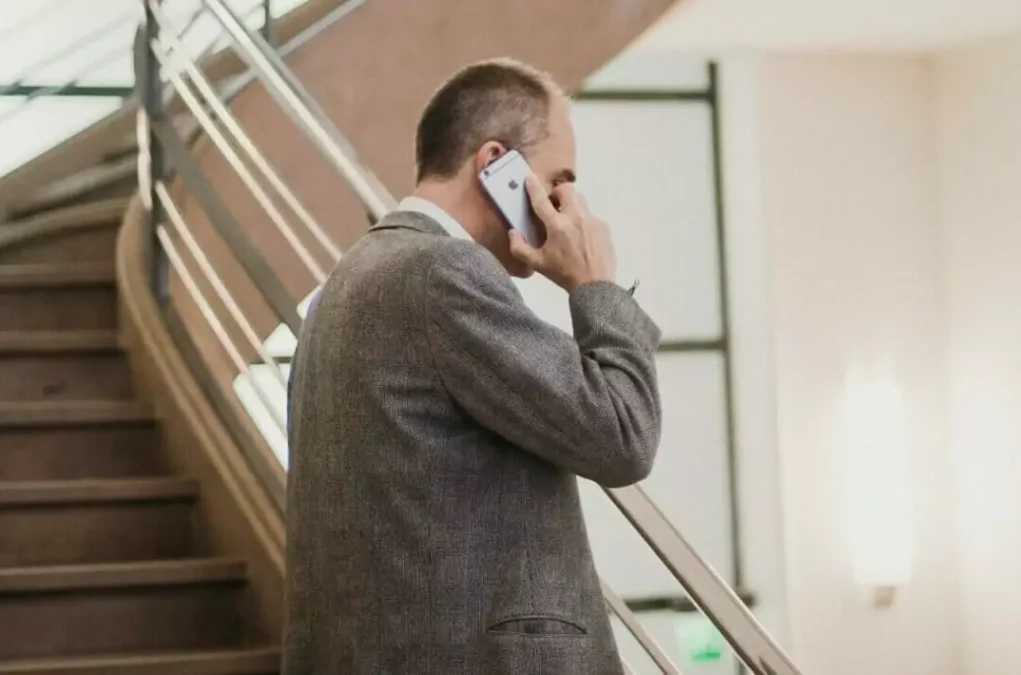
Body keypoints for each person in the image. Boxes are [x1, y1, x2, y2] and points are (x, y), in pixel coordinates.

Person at [284, 58, 662, 675]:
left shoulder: (341, 286)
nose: (567, 208)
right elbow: (623, 436)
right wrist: (595, 285)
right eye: (558, 182)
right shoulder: (440, 274)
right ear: (496, 167)